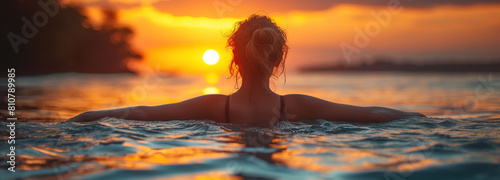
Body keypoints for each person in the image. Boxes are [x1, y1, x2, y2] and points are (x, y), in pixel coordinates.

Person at [67, 14, 424, 124]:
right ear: (279, 59)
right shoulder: (296, 106)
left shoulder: (212, 108)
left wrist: (82, 117)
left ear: (234, 59)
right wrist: (426, 119)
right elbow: (373, 115)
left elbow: (140, 112)